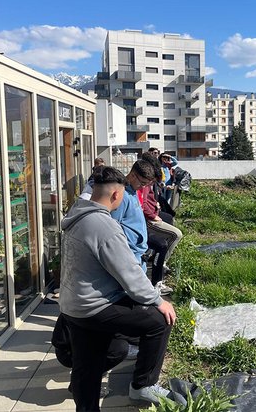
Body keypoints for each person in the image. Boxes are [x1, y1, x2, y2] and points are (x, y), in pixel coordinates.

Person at [59, 166, 176, 411]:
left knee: (94, 362)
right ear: (116, 195)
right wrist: (158, 300)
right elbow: (129, 272)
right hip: (95, 306)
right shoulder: (104, 225)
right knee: (159, 321)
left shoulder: (78, 214)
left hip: (73, 305)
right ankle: (143, 384)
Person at [140, 152, 183, 294]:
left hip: (148, 216)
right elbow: (142, 204)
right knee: (172, 237)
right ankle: (158, 269)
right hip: (145, 220)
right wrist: (153, 215)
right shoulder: (144, 182)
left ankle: (158, 263)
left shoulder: (147, 180)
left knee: (169, 219)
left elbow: (150, 199)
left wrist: (156, 206)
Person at [110, 159, 157, 269]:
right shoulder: (122, 196)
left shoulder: (133, 192)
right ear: (132, 175)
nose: (143, 187)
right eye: (142, 183)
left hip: (138, 255)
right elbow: (113, 228)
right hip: (130, 256)